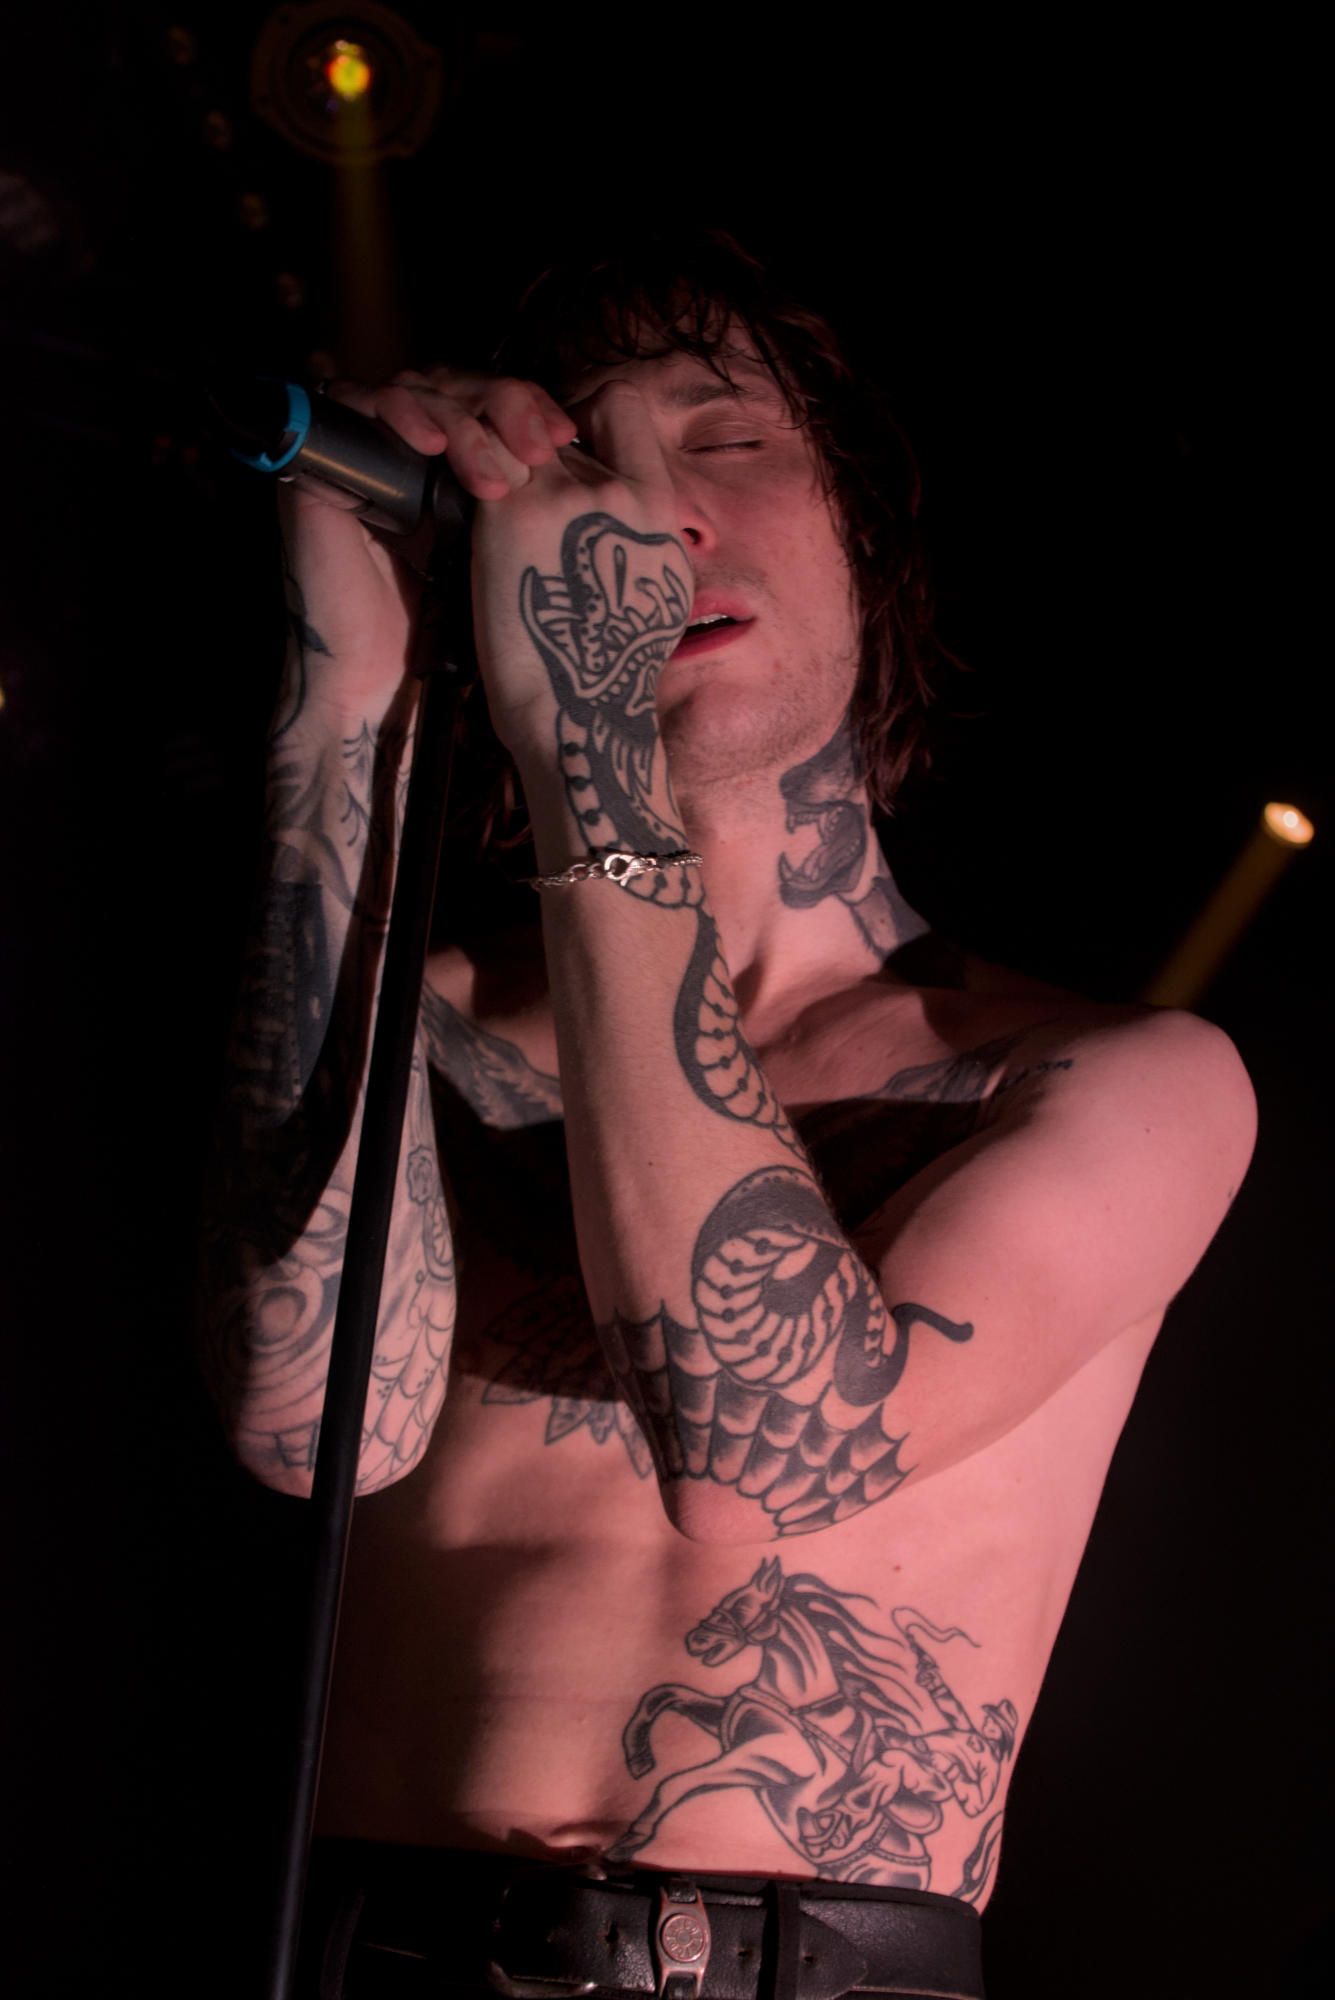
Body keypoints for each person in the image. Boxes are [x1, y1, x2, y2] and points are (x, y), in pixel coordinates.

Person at [200, 231, 1256, 1998]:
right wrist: (348, 697)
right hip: (388, 1948)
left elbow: (755, 1457)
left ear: (866, 543)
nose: (652, 514)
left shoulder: (1108, 1077)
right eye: (583, 458)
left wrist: (593, 751)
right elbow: (307, 1424)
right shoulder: (430, 1010)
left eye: (727, 439)